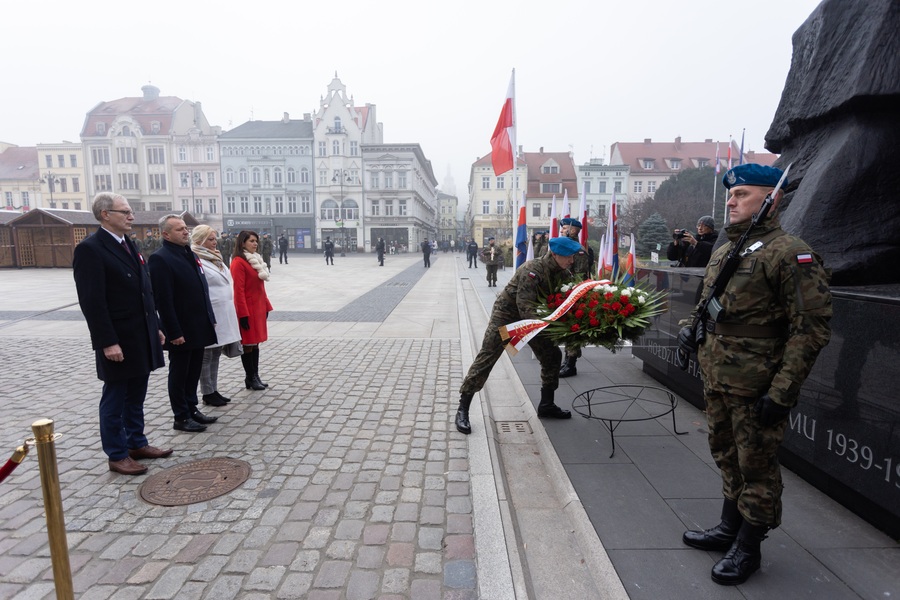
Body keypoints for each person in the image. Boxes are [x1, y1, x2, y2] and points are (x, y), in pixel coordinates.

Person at [678, 164, 832, 585]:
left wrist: (782, 391)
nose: (731, 201)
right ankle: (729, 527)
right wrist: (690, 328)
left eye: (742, 194)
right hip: (718, 375)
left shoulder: (790, 253)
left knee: (757, 465)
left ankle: (749, 547)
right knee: (726, 453)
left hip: (757, 382)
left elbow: (811, 329)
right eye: (731, 194)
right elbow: (708, 302)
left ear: (772, 199)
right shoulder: (728, 249)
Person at [73, 193, 170, 476]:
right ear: (105, 214)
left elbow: (145, 290)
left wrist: (156, 326)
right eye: (125, 212)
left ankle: (136, 443)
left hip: (140, 334)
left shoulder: (129, 243)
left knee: (136, 395)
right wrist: (107, 342)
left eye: (130, 212)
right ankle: (116, 454)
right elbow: (92, 302)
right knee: (115, 397)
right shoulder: (91, 249)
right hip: (119, 338)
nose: (131, 217)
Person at [455, 237, 585, 435]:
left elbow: (568, 297)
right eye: (568, 257)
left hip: (534, 318)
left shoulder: (563, 272)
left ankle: (547, 405)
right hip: (507, 316)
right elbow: (525, 306)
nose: (572, 261)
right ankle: (463, 409)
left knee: (552, 355)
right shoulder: (532, 270)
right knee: (487, 357)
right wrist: (549, 328)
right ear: (555, 254)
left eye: (573, 257)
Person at [149, 216, 219, 433]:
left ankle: (192, 408)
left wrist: (210, 318)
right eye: (179, 229)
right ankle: (180, 416)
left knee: (193, 370)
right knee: (180, 373)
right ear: (166, 234)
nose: (185, 232)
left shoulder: (189, 254)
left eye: (185, 228)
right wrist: (173, 331)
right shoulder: (160, 258)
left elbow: (202, 290)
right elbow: (163, 300)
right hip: (181, 328)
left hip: (198, 325)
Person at [190, 225, 243, 408]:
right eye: (210, 239)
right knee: (207, 353)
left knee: (216, 352)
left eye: (215, 239)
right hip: (210, 310)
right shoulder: (195, 257)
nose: (215, 242)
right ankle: (207, 392)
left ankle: (213, 389)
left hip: (224, 311)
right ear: (199, 241)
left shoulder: (215, 257)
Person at [231, 230, 274, 391]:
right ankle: (250, 377)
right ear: (242, 243)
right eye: (251, 241)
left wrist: (266, 305)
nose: (255, 243)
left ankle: (255, 376)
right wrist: (242, 314)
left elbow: (260, 288)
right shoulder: (239, 262)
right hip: (248, 309)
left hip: (258, 308)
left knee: (255, 344)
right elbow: (239, 291)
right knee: (248, 344)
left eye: (256, 241)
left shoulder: (256, 260)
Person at [558, 218, 596, 378]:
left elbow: (579, 276)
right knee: (567, 329)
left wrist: (569, 293)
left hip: (574, 294)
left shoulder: (578, 250)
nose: (561, 231)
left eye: (564, 228)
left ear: (573, 230)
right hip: (565, 293)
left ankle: (570, 364)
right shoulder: (567, 246)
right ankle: (567, 360)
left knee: (572, 329)